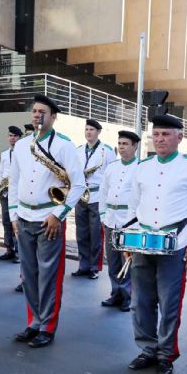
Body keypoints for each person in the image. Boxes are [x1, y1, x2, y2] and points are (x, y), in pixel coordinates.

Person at [126, 114, 187, 374]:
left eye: (165, 134)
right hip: (143, 242)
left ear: (179, 137)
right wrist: (129, 238)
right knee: (140, 300)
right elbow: (133, 206)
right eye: (156, 134)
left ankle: (165, 354)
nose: (160, 139)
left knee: (169, 301)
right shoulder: (142, 166)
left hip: (175, 243)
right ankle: (147, 348)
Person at [9, 95, 87, 348]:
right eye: (34, 111)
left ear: (54, 117)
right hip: (23, 216)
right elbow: (13, 182)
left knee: (49, 276)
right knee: (28, 274)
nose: (37, 115)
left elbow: (79, 185)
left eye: (43, 111)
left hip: (48, 219)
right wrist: (12, 215)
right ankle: (33, 322)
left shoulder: (64, 145)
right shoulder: (21, 145)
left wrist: (59, 215)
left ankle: (47, 326)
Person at [98, 130, 141, 312]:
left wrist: (137, 222)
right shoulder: (111, 167)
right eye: (120, 143)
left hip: (129, 222)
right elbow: (103, 192)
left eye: (126, 144)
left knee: (128, 260)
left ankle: (127, 295)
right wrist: (102, 215)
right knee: (113, 259)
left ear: (135, 146)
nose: (122, 147)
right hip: (110, 219)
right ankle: (116, 292)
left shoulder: (140, 168)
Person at [73, 119, 115, 279]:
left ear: (98, 132)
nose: (88, 132)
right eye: (86, 129)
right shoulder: (78, 150)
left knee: (96, 234)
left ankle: (94, 267)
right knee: (81, 233)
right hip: (81, 196)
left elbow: (112, 174)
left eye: (91, 129)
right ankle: (83, 265)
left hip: (98, 196)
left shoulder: (107, 150)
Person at [0, 126, 22, 263]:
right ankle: (9, 249)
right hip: (5, 192)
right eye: (10, 135)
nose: (12, 138)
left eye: (15, 136)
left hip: (18, 193)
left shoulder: (23, 152)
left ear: (19, 138)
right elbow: (1, 172)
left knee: (16, 223)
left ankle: (19, 251)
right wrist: (0, 187)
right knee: (6, 222)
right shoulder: (4, 154)